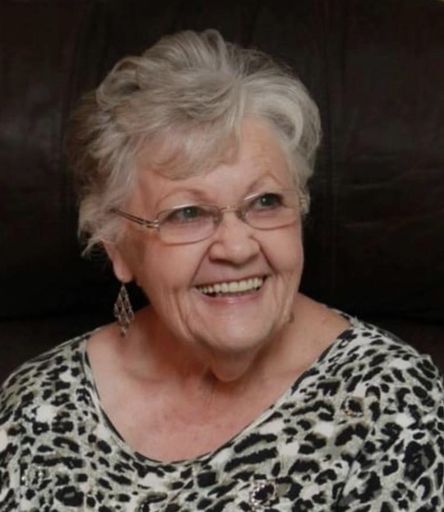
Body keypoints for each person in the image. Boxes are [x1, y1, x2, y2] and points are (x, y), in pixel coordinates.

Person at [0, 29, 443, 511]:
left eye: (266, 202)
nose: (235, 247)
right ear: (118, 248)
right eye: (187, 213)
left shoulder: (394, 408)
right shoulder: (35, 408)